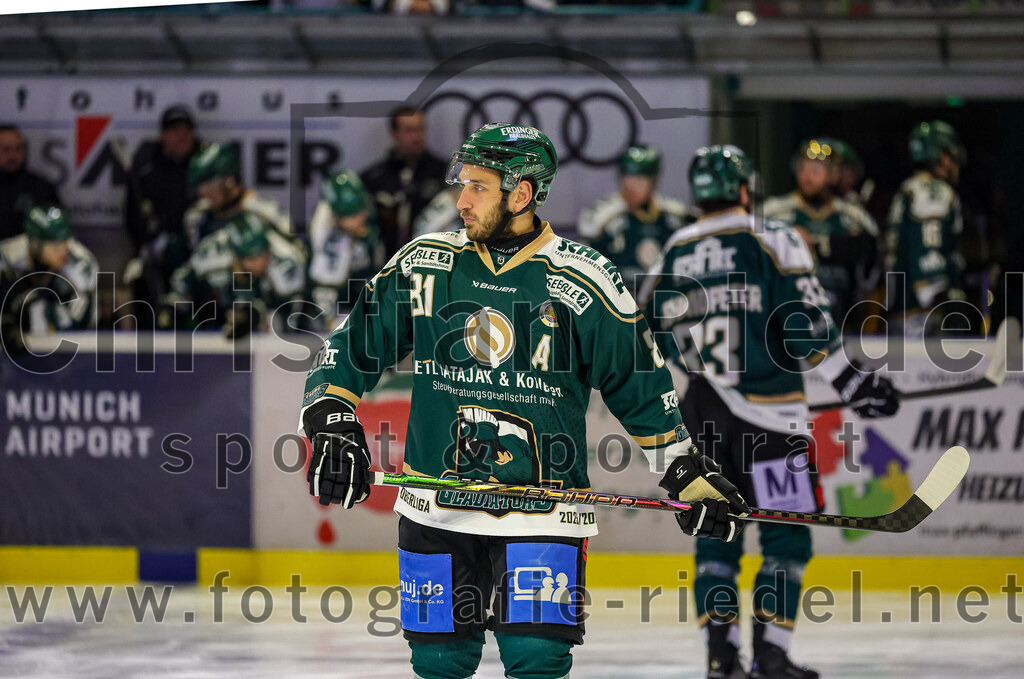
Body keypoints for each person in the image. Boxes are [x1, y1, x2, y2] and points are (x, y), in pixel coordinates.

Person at [298, 122, 748, 679]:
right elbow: (351, 345)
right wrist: (332, 417)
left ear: (522, 194)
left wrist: (683, 469)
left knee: (537, 660)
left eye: (478, 187)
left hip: (546, 509)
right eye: (461, 184)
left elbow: (639, 384)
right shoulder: (424, 264)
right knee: (438, 662)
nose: (460, 200)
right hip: (434, 507)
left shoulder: (585, 280)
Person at [641, 145, 900, 679]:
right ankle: (771, 654)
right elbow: (805, 329)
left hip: (704, 419)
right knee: (785, 534)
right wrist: (855, 386)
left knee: (716, 534)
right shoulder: (773, 236)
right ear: (743, 189)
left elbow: (652, 337)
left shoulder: (673, 249)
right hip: (773, 422)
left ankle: (720, 655)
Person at [763, 139, 879, 330]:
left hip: (844, 323)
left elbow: (873, 274)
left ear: (833, 174)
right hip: (787, 323)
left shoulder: (855, 218)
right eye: (803, 169)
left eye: (816, 170)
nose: (808, 177)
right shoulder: (772, 213)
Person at [577, 143, 696, 298]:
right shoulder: (600, 217)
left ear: (654, 182)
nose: (630, 188)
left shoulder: (676, 215)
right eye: (627, 180)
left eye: (639, 181)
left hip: (663, 298)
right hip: (616, 299)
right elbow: (584, 267)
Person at [167, 211, 306, 339]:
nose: (262, 261)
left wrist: (257, 316)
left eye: (264, 251)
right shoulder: (211, 255)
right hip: (213, 327)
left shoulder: (287, 264)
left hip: (267, 339)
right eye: (253, 257)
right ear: (236, 256)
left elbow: (292, 320)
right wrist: (171, 310)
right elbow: (182, 283)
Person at [123, 105, 202, 323]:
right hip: (154, 254)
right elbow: (132, 214)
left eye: (187, 130)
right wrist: (147, 242)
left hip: (191, 254)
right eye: (175, 131)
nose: (182, 136)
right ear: (163, 135)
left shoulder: (202, 162)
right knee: (144, 285)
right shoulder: (146, 161)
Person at [885, 121, 966, 336]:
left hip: (899, 308)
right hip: (921, 313)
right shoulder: (935, 192)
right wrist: (942, 296)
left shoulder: (907, 189)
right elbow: (928, 253)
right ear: (944, 157)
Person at [0, 206, 98, 350]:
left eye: (66, 240)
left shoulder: (81, 265)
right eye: (56, 243)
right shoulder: (7, 258)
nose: (65, 249)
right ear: (34, 244)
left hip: (70, 349)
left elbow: (73, 327)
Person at [360, 106, 448, 260]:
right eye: (409, 130)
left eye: (421, 129)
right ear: (394, 134)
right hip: (383, 266)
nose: (417, 137)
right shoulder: (373, 178)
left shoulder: (444, 173)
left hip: (432, 263)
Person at [307, 169, 384, 330]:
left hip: (366, 293)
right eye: (352, 215)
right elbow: (323, 294)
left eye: (361, 210)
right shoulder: (326, 237)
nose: (360, 217)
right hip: (333, 307)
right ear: (336, 216)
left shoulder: (368, 221)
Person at [183, 142, 291, 248]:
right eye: (201, 190)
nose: (204, 196)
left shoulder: (263, 212)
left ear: (229, 181)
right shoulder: (197, 218)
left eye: (210, 188)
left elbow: (293, 254)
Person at [0, 125, 62, 241]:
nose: (13, 155)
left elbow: (57, 231)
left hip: (30, 256)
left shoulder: (41, 188)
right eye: (5, 149)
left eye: (18, 149)